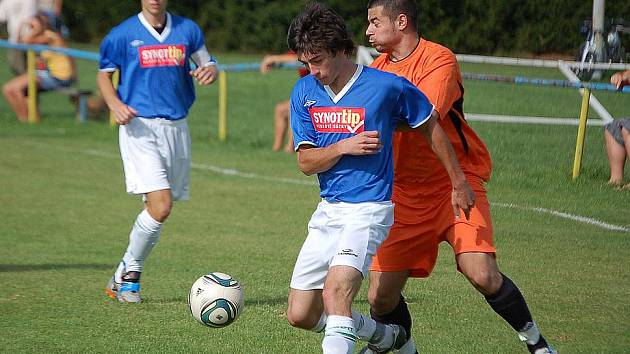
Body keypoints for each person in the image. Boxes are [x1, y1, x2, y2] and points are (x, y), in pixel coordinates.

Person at [362, 1, 556, 353]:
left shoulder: (439, 59)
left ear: (401, 21)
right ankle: (404, 348)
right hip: (403, 194)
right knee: (379, 298)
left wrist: (375, 117)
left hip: (455, 184)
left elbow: (425, 113)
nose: (368, 31)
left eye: (375, 22)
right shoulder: (375, 70)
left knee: (481, 273)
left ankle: (537, 344)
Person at [285, 3, 475, 353]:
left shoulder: (386, 86)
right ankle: (387, 337)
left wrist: (458, 181)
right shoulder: (305, 92)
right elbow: (306, 162)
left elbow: (429, 125)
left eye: (318, 60)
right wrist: (345, 146)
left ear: (341, 49)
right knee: (300, 314)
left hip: (368, 209)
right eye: (305, 62)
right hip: (328, 211)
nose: (312, 70)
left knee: (336, 291)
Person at [98, 0, 218, 303]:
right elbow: (104, 74)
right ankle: (131, 277)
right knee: (161, 205)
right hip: (140, 126)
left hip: (178, 127)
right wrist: (114, 104)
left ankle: (121, 270)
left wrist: (209, 72)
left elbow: (207, 63)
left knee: (159, 207)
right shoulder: (122, 34)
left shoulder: (187, 30)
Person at [2, 13, 75, 122]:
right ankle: (26, 118)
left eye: (33, 26)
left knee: (13, 89)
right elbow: (18, 43)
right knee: (9, 89)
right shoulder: (43, 37)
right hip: (48, 74)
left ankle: (26, 119)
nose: (31, 29)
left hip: (60, 77)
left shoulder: (50, 36)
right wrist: (20, 26)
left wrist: (35, 29)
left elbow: (26, 41)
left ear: (42, 25)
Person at [259, 52, 305, 152]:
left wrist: (273, 58)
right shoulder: (300, 45)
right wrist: (274, 61)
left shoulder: (314, 43)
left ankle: (290, 149)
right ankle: (276, 150)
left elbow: (301, 58)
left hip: (320, 93)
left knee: (294, 108)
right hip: (306, 92)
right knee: (281, 109)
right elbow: (291, 56)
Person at [0, 0, 38, 75]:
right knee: (17, 68)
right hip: (15, 41)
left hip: (30, 41)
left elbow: (29, 19)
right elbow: (1, 17)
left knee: (32, 71)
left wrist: (19, 35)